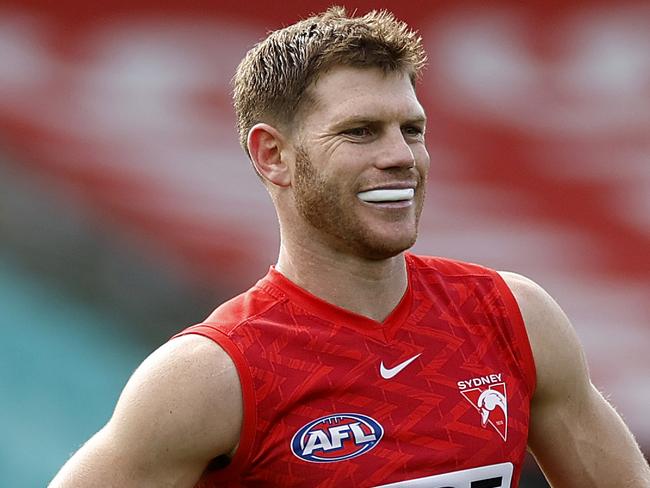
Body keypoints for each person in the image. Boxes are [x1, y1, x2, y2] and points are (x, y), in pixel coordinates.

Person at [50, 7, 650, 488]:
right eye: (360, 132)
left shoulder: (511, 316)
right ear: (273, 155)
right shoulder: (214, 375)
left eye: (411, 129)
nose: (400, 156)